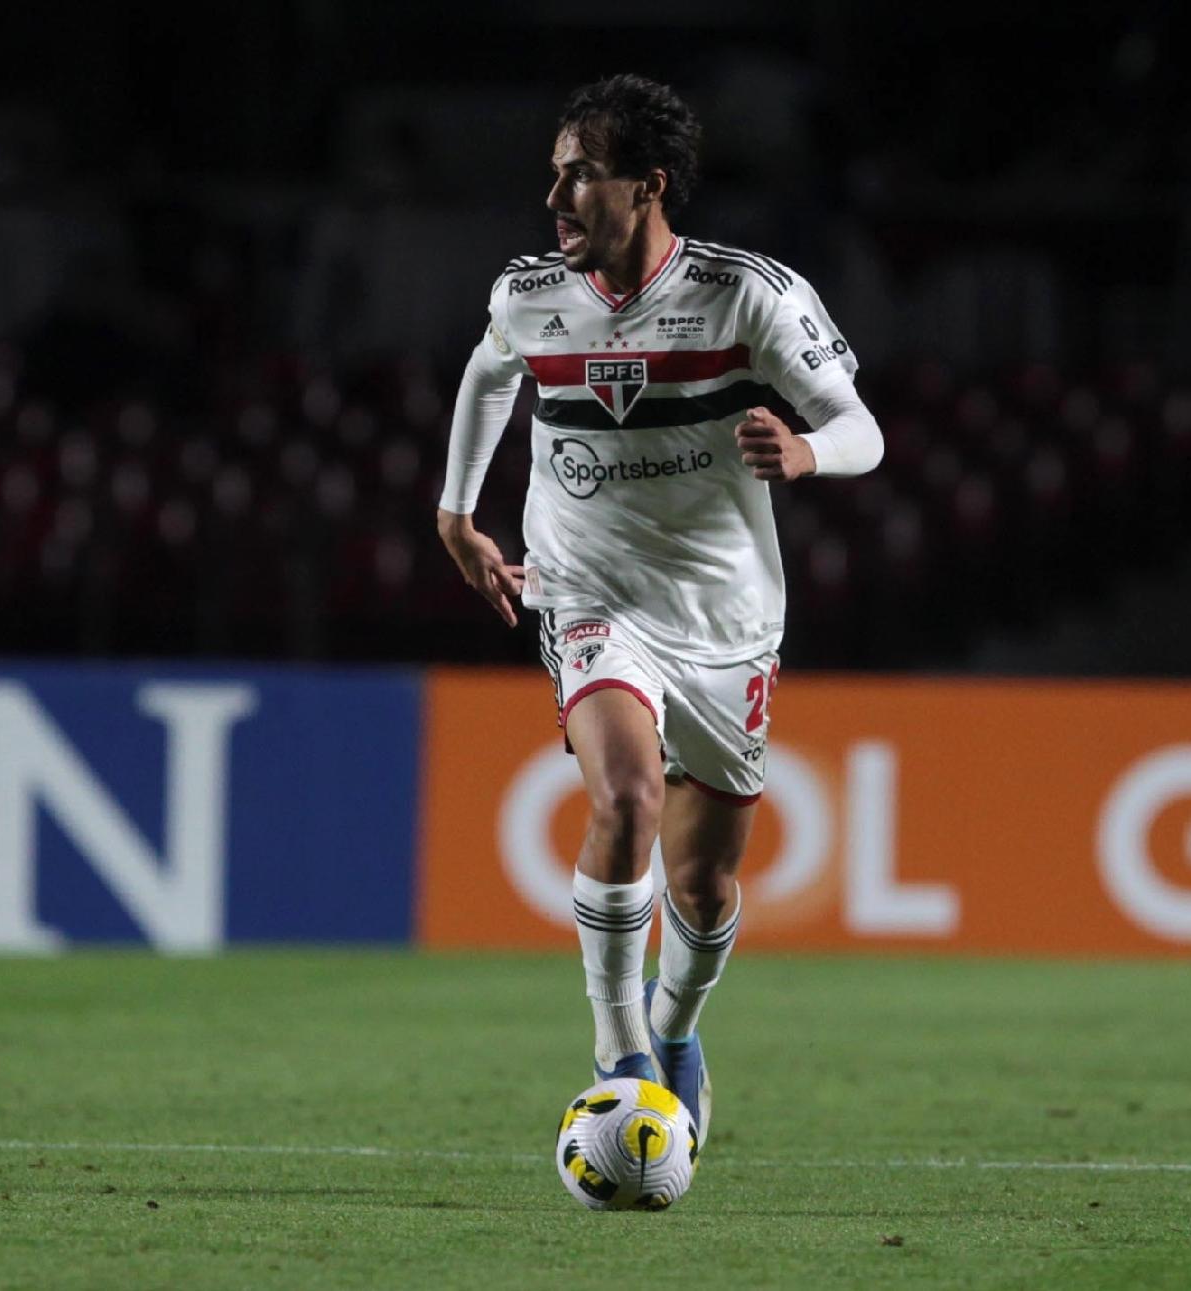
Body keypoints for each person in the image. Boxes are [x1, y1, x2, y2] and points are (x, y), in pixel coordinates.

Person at [435, 74, 883, 1134]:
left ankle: (676, 1024)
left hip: (727, 616)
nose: (556, 196)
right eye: (554, 172)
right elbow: (490, 371)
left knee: (707, 887)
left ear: (650, 186)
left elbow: (863, 425)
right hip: (590, 591)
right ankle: (621, 1047)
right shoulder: (531, 293)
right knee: (626, 795)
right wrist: (457, 511)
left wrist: (810, 449)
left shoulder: (749, 295)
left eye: (581, 174)